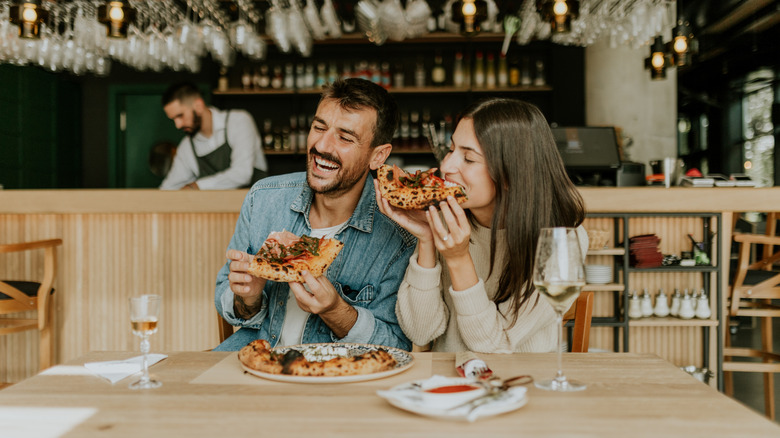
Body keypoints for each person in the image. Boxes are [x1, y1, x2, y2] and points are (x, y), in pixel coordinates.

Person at [213, 78, 415, 351]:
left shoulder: (399, 237)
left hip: (333, 379)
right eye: (319, 127)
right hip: (253, 362)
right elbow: (225, 298)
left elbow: (396, 346)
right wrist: (248, 299)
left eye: (345, 137)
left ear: (378, 156)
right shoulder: (263, 198)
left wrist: (335, 310)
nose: (322, 145)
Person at [376, 97, 588, 353]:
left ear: (511, 174)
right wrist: (427, 240)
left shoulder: (559, 242)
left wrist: (458, 258)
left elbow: (494, 346)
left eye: (469, 158)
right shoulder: (447, 220)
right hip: (448, 385)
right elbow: (421, 332)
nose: (446, 165)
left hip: (522, 384)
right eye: (451, 149)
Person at [159, 82, 268, 190]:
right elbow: (169, 188)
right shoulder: (186, 146)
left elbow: (242, 174)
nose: (178, 125)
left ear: (199, 106)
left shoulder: (239, 121)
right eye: (174, 119)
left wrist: (197, 186)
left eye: (180, 116)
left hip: (255, 206)